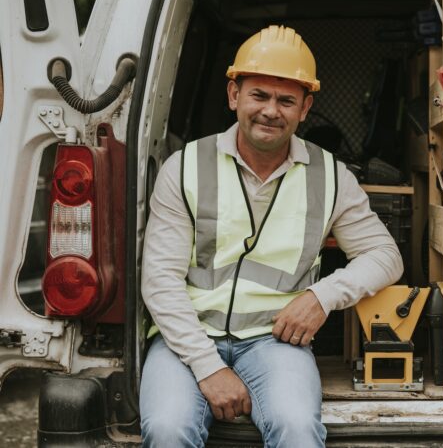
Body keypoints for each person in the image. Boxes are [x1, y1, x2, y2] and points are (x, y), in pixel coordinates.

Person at [139, 25, 403, 447]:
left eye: (286, 100)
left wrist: (322, 297)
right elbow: (160, 282)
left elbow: (385, 255)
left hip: (275, 344)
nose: (270, 111)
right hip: (186, 338)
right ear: (233, 96)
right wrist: (209, 367)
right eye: (259, 95)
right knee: (168, 429)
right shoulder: (185, 166)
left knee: (297, 430)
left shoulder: (330, 176)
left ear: (305, 108)